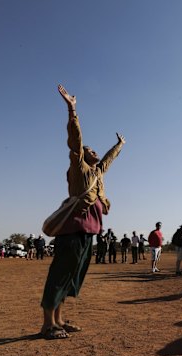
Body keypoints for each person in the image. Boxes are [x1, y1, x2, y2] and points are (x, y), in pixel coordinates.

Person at [40, 84, 125, 340]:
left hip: (89, 233)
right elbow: (76, 141)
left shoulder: (98, 173)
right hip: (73, 230)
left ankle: (60, 320)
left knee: (72, 277)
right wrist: (72, 110)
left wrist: (119, 145)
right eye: (90, 150)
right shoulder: (80, 169)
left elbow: (108, 160)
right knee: (60, 274)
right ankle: (47, 325)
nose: (93, 151)